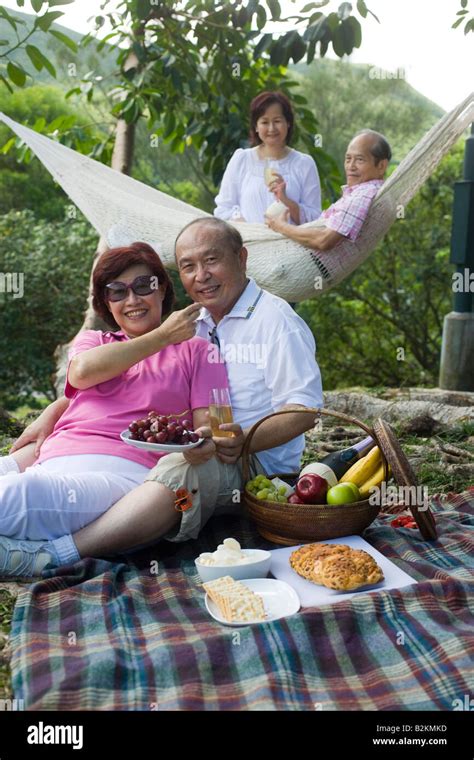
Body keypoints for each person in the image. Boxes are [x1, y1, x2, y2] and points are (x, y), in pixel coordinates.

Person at [0, 218, 323, 578]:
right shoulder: (195, 323)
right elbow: (91, 379)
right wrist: (54, 410)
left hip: (252, 461)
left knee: (178, 469)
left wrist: (230, 438)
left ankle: (57, 554)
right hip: (201, 442)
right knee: (26, 463)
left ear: (242, 258)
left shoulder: (273, 321)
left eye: (211, 260)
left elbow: (304, 410)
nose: (201, 275)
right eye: (188, 266)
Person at [0, 240, 229, 575]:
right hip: (53, 459)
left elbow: (209, 425)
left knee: (22, 495)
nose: (132, 300)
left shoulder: (197, 351)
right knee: (23, 489)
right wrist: (162, 336)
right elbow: (80, 374)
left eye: (143, 286)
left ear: (163, 290)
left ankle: (51, 554)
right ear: (106, 302)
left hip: (126, 474)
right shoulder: (95, 342)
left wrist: (204, 441)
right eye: (117, 291)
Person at [266, 129, 391, 251]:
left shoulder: (363, 196)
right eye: (348, 159)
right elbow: (315, 224)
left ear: (381, 166)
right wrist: (284, 199)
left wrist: (281, 227)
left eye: (359, 160)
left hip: (310, 262)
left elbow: (323, 241)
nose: (350, 167)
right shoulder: (362, 193)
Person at [214, 90, 321, 225]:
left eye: (277, 121)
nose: (271, 128)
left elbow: (315, 219)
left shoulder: (304, 164)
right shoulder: (241, 160)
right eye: (264, 122)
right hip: (247, 243)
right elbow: (223, 209)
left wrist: (285, 199)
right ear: (256, 126)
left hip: (291, 245)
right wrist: (244, 226)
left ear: (288, 123)